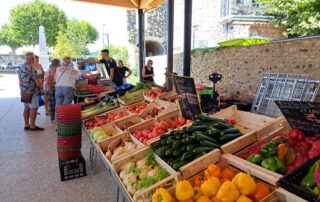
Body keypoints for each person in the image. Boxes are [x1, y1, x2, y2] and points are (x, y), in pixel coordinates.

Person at [18, 52, 44, 131]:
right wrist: (41, 86)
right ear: (32, 58)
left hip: (24, 91)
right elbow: (37, 79)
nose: (34, 59)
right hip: (32, 91)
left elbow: (20, 79)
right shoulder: (31, 68)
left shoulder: (21, 67)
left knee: (26, 108)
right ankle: (32, 126)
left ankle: (26, 124)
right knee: (34, 108)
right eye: (33, 58)